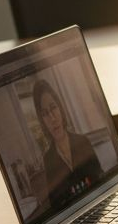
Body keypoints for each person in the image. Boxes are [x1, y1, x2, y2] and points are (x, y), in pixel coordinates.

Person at [33, 79, 104, 210]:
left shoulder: (83, 141)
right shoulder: (48, 160)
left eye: (53, 107)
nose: (52, 118)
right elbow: (56, 206)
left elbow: (100, 180)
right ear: (42, 120)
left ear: (60, 108)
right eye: (45, 114)